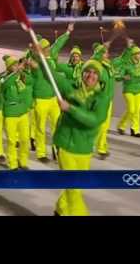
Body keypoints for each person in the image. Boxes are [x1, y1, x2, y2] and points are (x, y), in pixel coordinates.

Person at [46, 57, 109, 216]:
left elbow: (94, 120)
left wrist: (70, 109)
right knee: (73, 189)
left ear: (99, 77)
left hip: (85, 148)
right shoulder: (71, 89)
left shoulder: (102, 98)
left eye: (95, 73)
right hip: (66, 145)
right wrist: (40, 58)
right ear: (82, 73)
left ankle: (61, 208)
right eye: (87, 71)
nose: (90, 75)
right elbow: (51, 75)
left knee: (76, 187)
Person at [31, 23, 74, 162]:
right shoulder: (36, 60)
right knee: (41, 128)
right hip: (41, 99)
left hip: (54, 98)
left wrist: (67, 32)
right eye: (45, 48)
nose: (48, 49)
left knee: (57, 126)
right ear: (40, 50)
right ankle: (41, 153)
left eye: (48, 47)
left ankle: (57, 150)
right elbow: (32, 57)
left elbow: (58, 44)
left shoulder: (52, 55)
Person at [1, 55, 34, 170]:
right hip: (11, 114)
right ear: (9, 67)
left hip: (23, 113)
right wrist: (17, 73)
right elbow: (5, 85)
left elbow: (31, 81)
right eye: (13, 65)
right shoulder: (4, 77)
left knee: (25, 140)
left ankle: (23, 162)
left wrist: (25, 70)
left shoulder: (21, 77)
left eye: (16, 64)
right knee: (12, 141)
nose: (16, 67)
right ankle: (12, 163)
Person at [116, 40, 140, 138]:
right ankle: (121, 125)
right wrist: (123, 77)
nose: (139, 55)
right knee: (131, 109)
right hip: (128, 89)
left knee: (137, 110)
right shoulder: (126, 65)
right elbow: (118, 76)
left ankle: (135, 130)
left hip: (139, 89)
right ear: (132, 55)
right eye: (137, 53)